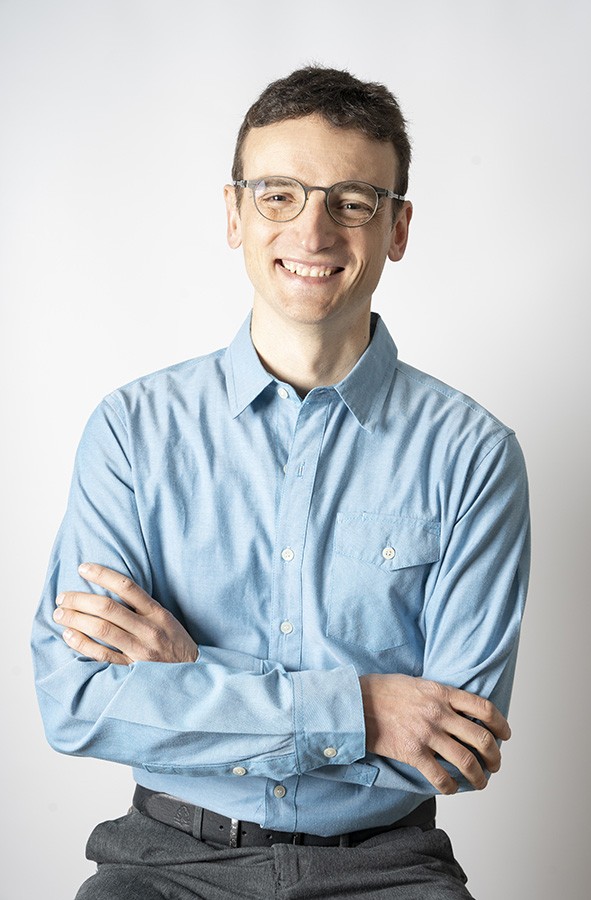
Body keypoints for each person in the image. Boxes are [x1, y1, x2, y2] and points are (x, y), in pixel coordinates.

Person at [32, 66, 530, 899]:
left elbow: (453, 749)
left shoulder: (474, 453)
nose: (314, 229)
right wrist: (362, 711)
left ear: (397, 228)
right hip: (165, 863)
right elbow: (79, 702)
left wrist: (186, 673)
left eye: (352, 201)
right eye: (278, 196)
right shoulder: (131, 432)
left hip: (387, 868)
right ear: (233, 214)